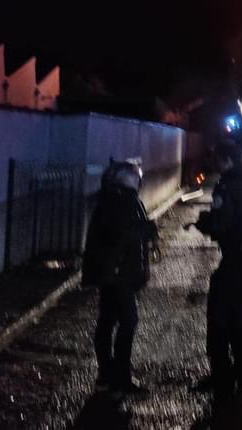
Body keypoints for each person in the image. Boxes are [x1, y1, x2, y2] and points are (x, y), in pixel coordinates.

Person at [191, 140, 242, 400]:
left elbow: (222, 222)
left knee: (219, 312)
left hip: (234, 252)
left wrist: (202, 223)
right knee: (238, 308)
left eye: (217, 159)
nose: (215, 164)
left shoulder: (226, 186)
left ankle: (222, 375)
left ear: (227, 160)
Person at [82, 160, 157, 396]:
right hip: (118, 273)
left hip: (113, 272)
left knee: (108, 321)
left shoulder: (115, 198)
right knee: (127, 321)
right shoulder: (120, 201)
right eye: (137, 176)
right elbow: (120, 235)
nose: (140, 180)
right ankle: (119, 378)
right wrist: (146, 230)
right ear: (130, 179)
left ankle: (107, 376)